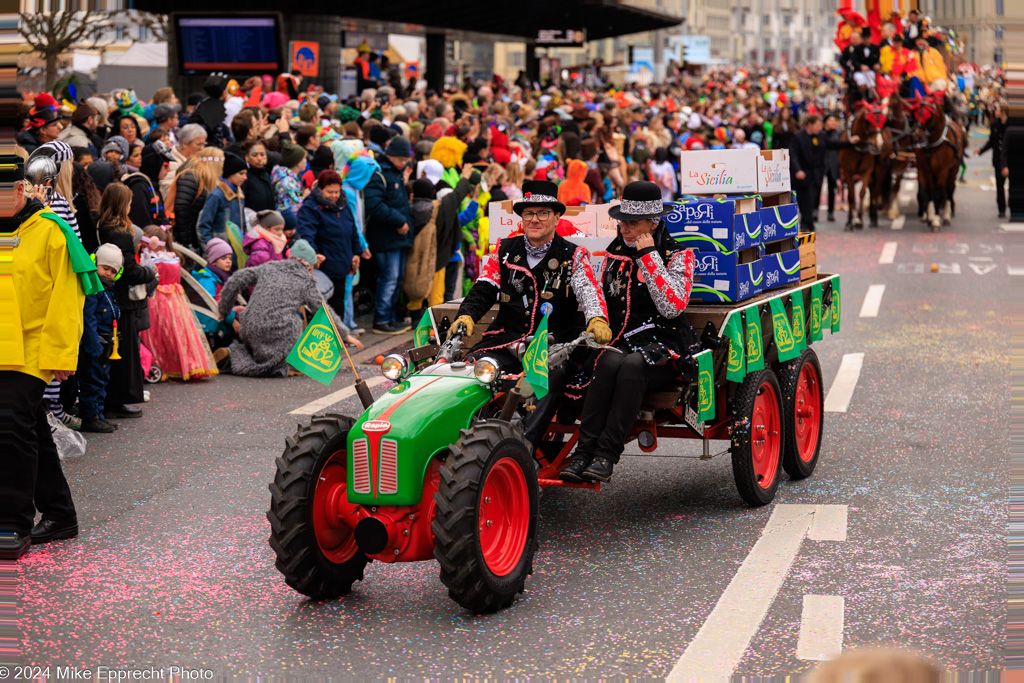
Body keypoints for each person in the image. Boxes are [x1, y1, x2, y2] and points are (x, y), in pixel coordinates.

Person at [450, 179, 611, 447]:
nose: (535, 219)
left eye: (543, 213)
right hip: (504, 341)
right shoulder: (503, 250)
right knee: (473, 370)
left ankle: (524, 447)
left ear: (557, 216)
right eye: (529, 213)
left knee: (550, 373)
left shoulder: (575, 255)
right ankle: (464, 441)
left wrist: (596, 318)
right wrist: (466, 314)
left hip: (551, 346)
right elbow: (483, 288)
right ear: (522, 217)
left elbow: (588, 291)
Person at [560, 181, 697, 484]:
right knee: (608, 361)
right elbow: (603, 297)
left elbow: (671, 307)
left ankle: (607, 455)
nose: (624, 229)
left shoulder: (679, 255)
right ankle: (583, 453)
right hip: (624, 339)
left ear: (653, 223)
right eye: (621, 222)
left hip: (665, 344)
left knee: (634, 365)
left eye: (632, 223)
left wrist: (648, 255)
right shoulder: (613, 253)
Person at [0, 156, 90, 558]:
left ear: (20, 189)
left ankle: (12, 524)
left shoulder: (53, 232)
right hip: (4, 346)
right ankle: (59, 513)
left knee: (10, 425)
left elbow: (68, 300)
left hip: (35, 347)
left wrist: (61, 355)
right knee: (30, 427)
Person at [212, 239, 362, 377]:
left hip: (249, 329)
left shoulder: (270, 267)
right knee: (296, 318)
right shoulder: (305, 280)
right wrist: (343, 334)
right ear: (308, 265)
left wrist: (224, 309)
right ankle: (281, 364)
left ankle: (236, 354)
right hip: (278, 332)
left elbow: (237, 279)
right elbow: (322, 310)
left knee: (263, 332)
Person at [97, 183, 156, 419]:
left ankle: (113, 399)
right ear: (124, 204)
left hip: (109, 294)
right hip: (121, 298)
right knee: (122, 350)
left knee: (115, 348)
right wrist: (150, 273)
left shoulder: (101, 225)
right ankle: (117, 400)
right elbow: (128, 270)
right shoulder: (121, 232)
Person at [138, 227, 218, 381]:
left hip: (156, 298)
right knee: (178, 332)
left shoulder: (151, 258)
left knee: (157, 333)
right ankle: (185, 364)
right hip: (175, 299)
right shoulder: (173, 257)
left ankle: (160, 363)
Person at [364, 135, 415, 334]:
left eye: (405, 160)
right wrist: (398, 220)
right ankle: (382, 319)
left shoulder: (396, 173)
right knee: (389, 278)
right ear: (391, 156)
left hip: (398, 236)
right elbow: (375, 205)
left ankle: (392, 316)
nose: (403, 164)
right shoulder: (380, 174)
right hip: (386, 236)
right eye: (401, 160)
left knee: (396, 278)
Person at [296, 170, 364, 314]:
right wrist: (313, 255)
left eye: (336, 192)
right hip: (323, 265)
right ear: (320, 189)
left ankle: (338, 335)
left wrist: (357, 252)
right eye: (329, 192)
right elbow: (306, 235)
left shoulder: (343, 205)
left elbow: (352, 229)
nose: (334, 196)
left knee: (339, 303)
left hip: (342, 263)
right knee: (323, 308)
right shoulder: (310, 208)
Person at [77, 244, 123, 433]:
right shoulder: (93, 290)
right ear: (95, 263)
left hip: (107, 343)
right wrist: (93, 345)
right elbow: (88, 318)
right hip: (94, 344)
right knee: (92, 382)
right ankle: (90, 417)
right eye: (105, 268)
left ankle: (100, 415)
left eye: (113, 271)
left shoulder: (109, 290)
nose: (108, 274)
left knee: (102, 380)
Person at [789, 115, 858, 232]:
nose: (819, 128)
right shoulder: (798, 137)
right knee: (801, 199)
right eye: (817, 125)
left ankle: (806, 224)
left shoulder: (822, 136)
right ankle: (807, 222)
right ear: (809, 125)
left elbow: (834, 144)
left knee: (811, 198)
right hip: (801, 174)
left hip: (815, 173)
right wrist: (798, 170)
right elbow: (793, 155)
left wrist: (849, 142)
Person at [171, 147, 221, 251]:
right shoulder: (192, 176)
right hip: (186, 242)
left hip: (195, 240)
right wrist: (187, 243)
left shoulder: (205, 180)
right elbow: (181, 208)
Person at [197, 152, 247, 257]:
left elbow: (243, 225)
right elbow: (203, 226)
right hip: (221, 254)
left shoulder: (239, 195)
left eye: (245, 174)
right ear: (230, 173)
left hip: (238, 253)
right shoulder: (217, 195)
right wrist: (212, 250)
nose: (245, 177)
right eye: (241, 173)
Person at [977, 102, 1009, 218]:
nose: (995, 112)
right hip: (998, 159)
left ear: (1003, 112)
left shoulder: (1012, 125)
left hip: (1010, 159)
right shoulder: (994, 125)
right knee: (999, 186)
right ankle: (1001, 209)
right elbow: (991, 142)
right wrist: (981, 150)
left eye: (997, 110)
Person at [162, 123, 207, 200]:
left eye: (204, 144)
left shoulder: (201, 158)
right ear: (184, 143)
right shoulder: (171, 162)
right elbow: (167, 190)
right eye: (198, 144)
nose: (202, 149)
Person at [241, 140, 275, 214]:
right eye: (255, 155)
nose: (259, 158)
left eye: (262, 154)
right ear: (247, 157)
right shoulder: (245, 178)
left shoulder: (266, 174)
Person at [823, 114, 842, 223]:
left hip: (834, 163)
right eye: (830, 120)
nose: (833, 122)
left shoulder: (839, 134)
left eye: (835, 120)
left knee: (832, 188)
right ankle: (814, 211)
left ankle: (831, 212)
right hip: (821, 162)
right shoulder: (821, 133)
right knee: (816, 188)